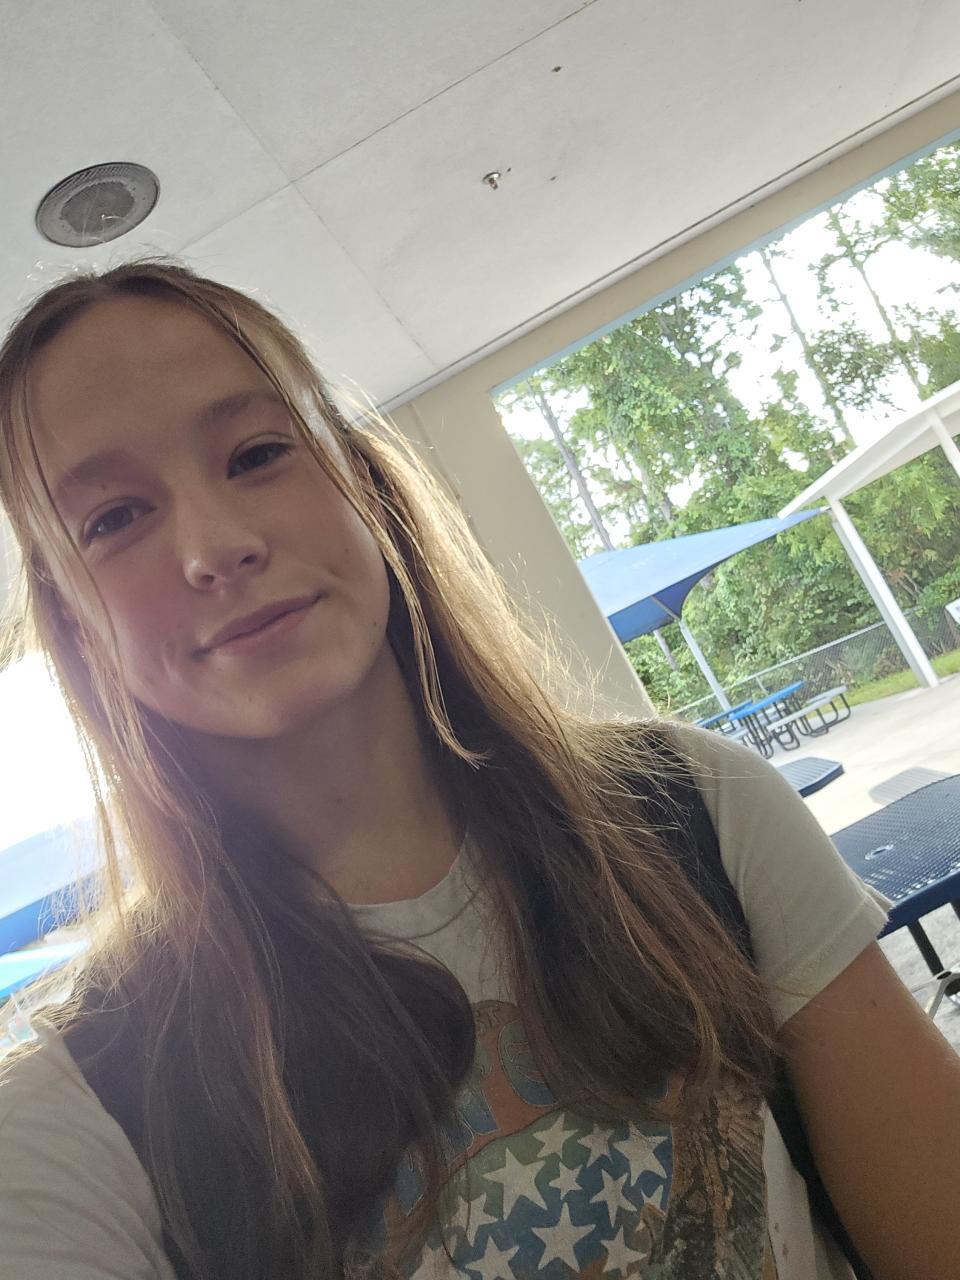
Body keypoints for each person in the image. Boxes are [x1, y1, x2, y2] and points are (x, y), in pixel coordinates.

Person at [0, 261, 957, 1280]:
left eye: (259, 453)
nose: (217, 545)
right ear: (74, 624)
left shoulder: (695, 807)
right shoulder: (78, 1116)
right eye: (113, 519)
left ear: (362, 484)